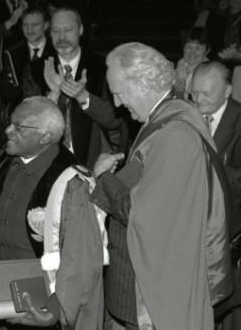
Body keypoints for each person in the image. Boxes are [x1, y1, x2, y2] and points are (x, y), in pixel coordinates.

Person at [90, 42, 232, 329]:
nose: (117, 104)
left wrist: (103, 178)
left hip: (156, 295)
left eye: (118, 93)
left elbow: (147, 217)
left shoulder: (176, 133)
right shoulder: (165, 117)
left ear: (142, 84)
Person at [22, 7, 123, 167]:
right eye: (56, 31)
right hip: (47, 161)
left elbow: (114, 120)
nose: (61, 37)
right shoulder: (36, 69)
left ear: (81, 29)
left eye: (68, 30)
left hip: (91, 161)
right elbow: (27, 124)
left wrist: (84, 97)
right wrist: (52, 98)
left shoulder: (101, 67)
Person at [0, 96, 76, 260]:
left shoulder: (70, 179)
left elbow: (77, 253)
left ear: (44, 137)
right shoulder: (3, 164)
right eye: (10, 123)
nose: (8, 130)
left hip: (42, 280)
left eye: (18, 127)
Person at [190, 61, 241, 330]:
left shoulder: (239, 121)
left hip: (230, 232)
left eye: (206, 94)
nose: (198, 100)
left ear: (228, 90)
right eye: (194, 93)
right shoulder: (187, 115)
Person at [174, 26, 210, 99]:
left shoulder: (210, 73)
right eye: (189, 47)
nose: (192, 52)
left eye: (197, 48)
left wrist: (180, 92)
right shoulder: (178, 67)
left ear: (207, 50)